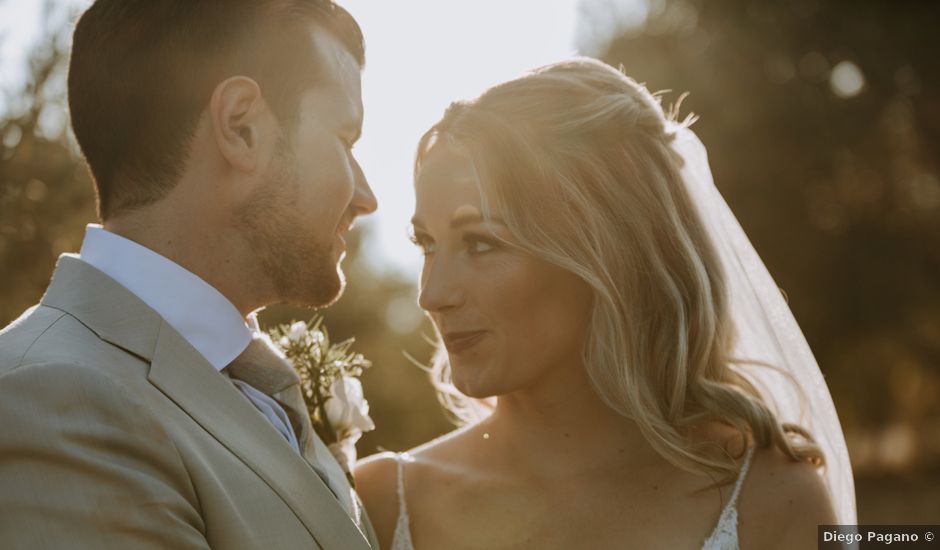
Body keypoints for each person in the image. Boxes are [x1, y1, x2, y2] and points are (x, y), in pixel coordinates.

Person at [355, 58, 855, 549]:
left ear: (604, 251)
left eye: (480, 243)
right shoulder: (381, 504)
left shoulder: (770, 502)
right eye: (427, 245)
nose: (432, 294)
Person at [0, 1, 378, 548]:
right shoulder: (54, 399)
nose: (366, 197)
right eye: (346, 141)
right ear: (241, 126)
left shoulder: (252, 383)